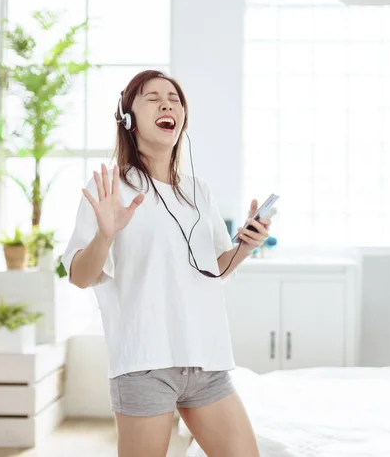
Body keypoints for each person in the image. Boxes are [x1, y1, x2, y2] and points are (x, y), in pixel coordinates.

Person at [61, 69, 270, 457]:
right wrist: (106, 233)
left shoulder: (198, 191)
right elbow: (78, 276)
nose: (166, 103)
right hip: (145, 361)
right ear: (129, 119)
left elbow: (216, 269)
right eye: (152, 97)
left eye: (174, 98)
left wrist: (246, 245)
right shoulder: (109, 188)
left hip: (206, 359)